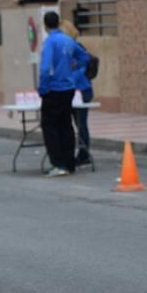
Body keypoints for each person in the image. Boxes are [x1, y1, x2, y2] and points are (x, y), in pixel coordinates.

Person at [38, 11, 88, 177]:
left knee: (50, 126)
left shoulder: (50, 42)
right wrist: (72, 69)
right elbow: (84, 58)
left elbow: (45, 69)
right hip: (68, 88)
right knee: (66, 125)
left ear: (45, 26)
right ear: (58, 23)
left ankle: (58, 163)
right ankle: (69, 162)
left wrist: (43, 87)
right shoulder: (68, 40)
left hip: (54, 88)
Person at [62, 21, 94, 167]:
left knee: (81, 123)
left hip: (81, 90)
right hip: (71, 90)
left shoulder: (77, 48)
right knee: (75, 123)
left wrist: (67, 81)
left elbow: (80, 70)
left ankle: (84, 153)